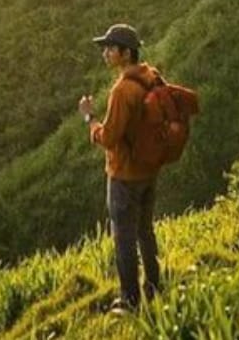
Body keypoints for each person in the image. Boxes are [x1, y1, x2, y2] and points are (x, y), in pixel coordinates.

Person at [78, 23, 162, 312]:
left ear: (126, 53)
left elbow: (110, 138)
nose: (105, 53)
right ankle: (154, 286)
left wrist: (90, 120)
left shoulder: (122, 90)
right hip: (148, 170)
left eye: (110, 48)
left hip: (124, 176)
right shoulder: (151, 76)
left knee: (124, 239)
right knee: (145, 231)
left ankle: (130, 300)